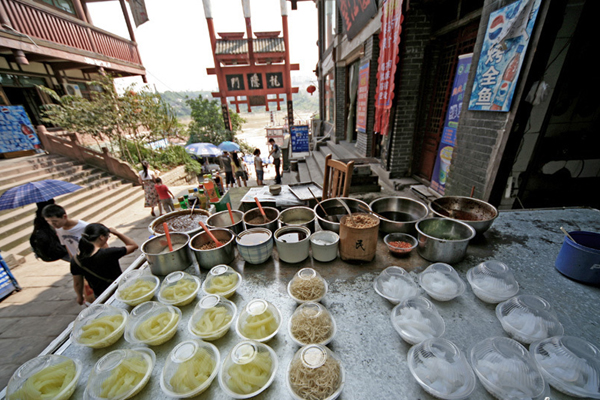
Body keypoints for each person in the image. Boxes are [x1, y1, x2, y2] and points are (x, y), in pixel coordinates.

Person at [71, 223, 138, 304]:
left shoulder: (76, 260)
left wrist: (80, 297)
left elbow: (77, 283)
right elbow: (133, 245)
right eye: (108, 236)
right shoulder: (109, 253)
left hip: (101, 296)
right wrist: (117, 233)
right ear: (101, 237)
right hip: (120, 290)